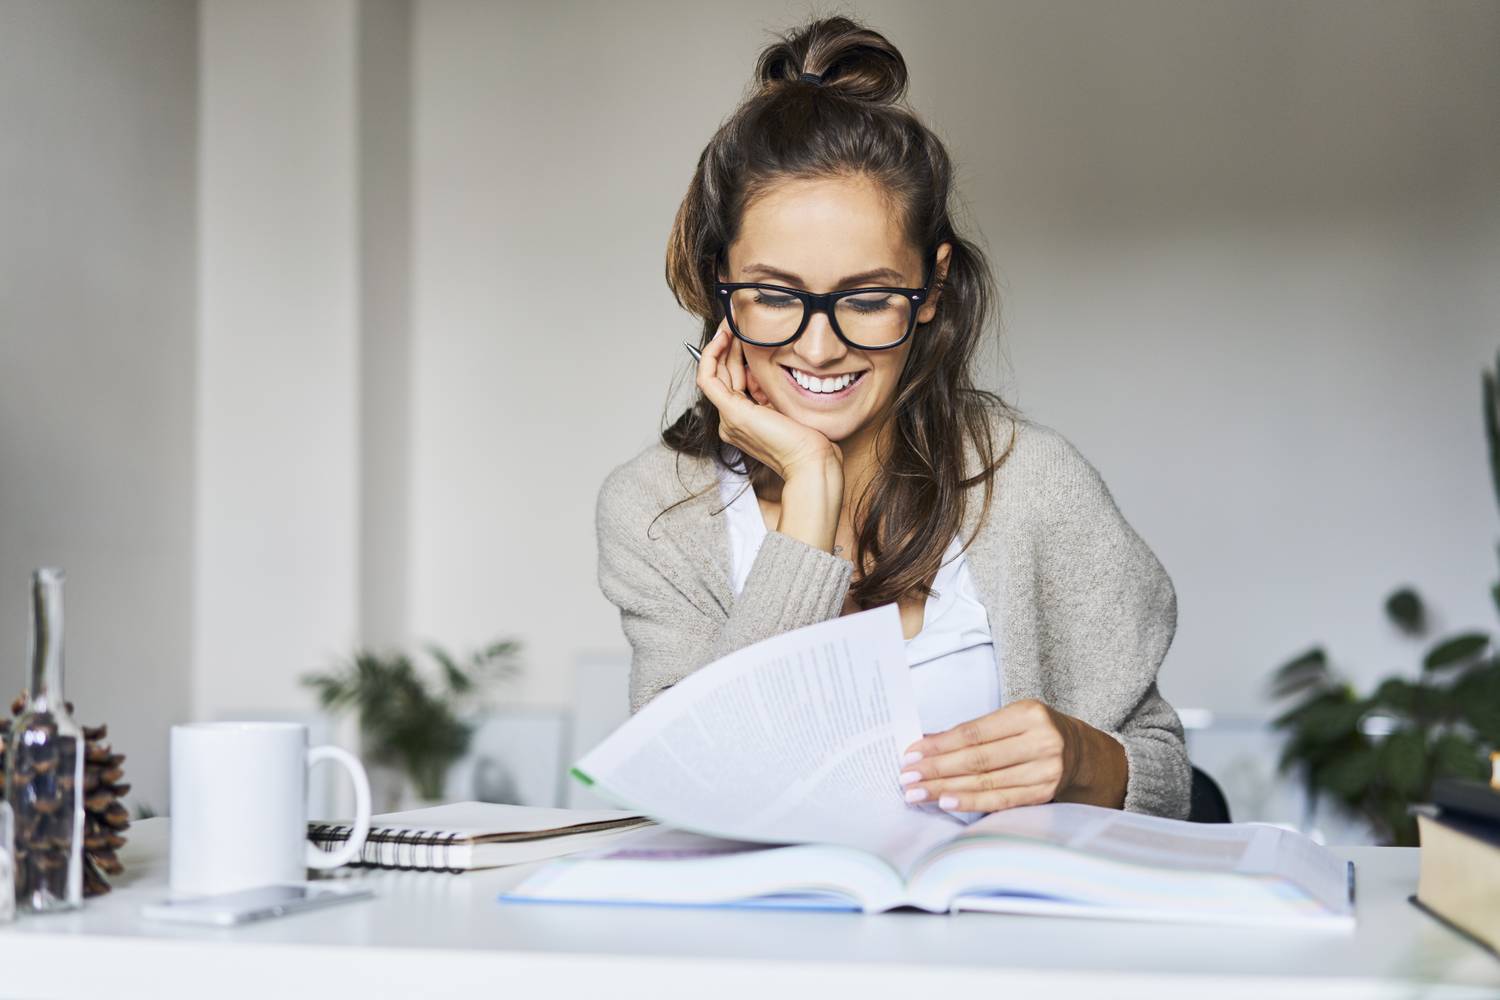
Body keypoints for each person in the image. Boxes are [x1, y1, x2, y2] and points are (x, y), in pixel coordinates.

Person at [595, 15, 1190, 819]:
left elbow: (1166, 779)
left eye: (868, 297)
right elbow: (706, 793)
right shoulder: (658, 511)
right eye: (773, 294)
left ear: (933, 288)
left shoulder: (1033, 483)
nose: (819, 346)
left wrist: (1087, 763)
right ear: (719, 282)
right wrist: (812, 492)